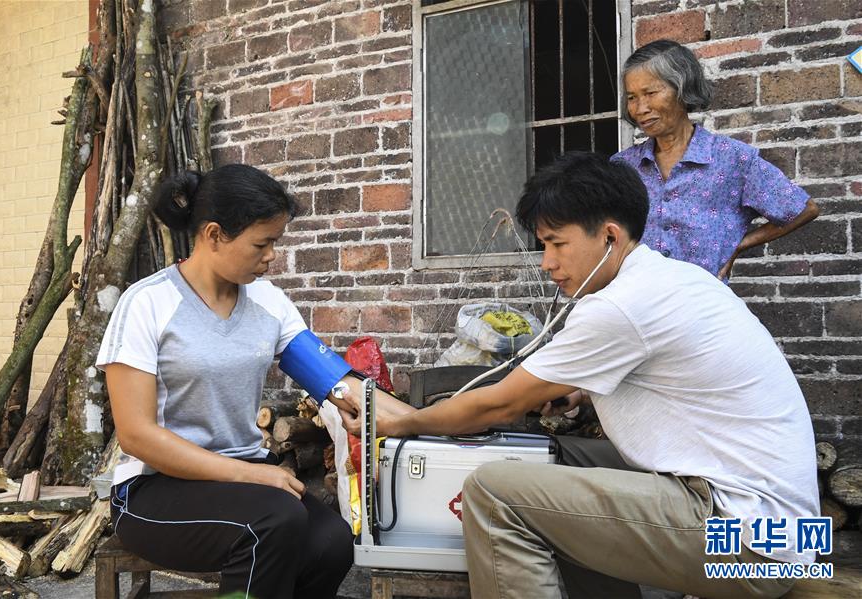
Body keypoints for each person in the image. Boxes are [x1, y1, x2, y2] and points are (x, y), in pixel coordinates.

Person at [341, 153, 819, 599]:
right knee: (557, 454)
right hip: (770, 526)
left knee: (495, 494)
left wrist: (406, 420)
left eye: (557, 244)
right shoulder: (670, 278)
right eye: (542, 245)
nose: (547, 262)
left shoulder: (619, 306)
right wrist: (580, 393)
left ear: (609, 235)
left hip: (749, 543)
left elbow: (500, 403)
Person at [97, 165, 359, 599]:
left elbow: (333, 379)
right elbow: (136, 435)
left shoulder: (269, 302)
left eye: (275, 242)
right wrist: (252, 476)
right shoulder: (147, 303)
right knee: (274, 522)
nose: (272, 255)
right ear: (215, 234)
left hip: (242, 479)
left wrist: (407, 417)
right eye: (263, 242)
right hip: (154, 489)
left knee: (333, 542)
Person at [612, 39, 819, 281]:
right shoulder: (622, 167)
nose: (640, 108)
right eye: (632, 97)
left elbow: (803, 209)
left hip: (701, 306)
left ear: (682, 89)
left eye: (650, 93)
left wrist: (737, 246)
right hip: (636, 304)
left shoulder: (731, 158)